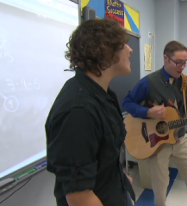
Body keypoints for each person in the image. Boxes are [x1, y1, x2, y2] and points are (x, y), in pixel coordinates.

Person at [45, 19, 135, 206]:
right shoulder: (78, 111)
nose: (130, 49)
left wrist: (119, 178)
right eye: (124, 44)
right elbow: (80, 198)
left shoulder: (104, 94)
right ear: (104, 48)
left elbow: (102, 153)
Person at [122, 40, 187, 206]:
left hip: (180, 139)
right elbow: (127, 103)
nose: (182, 67)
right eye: (178, 62)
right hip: (156, 142)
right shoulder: (148, 82)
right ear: (166, 58)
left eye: (185, 62)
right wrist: (148, 112)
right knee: (160, 186)